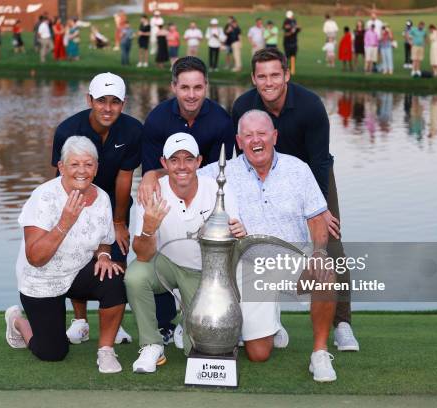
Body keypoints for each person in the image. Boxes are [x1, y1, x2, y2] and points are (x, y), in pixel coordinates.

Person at [139, 111, 339, 382]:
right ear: (239, 141)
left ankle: (320, 353)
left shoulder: (298, 169)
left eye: (262, 133)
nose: (256, 140)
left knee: (326, 274)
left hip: (292, 258)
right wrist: (152, 174)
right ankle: (269, 326)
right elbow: (183, 168)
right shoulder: (222, 171)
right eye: (248, 135)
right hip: (249, 267)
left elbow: (316, 219)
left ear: (275, 136)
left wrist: (318, 253)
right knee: (258, 353)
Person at [230, 48, 359, 354]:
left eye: (275, 74)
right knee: (252, 245)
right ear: (253, 78)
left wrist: (320, 208)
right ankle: (260, 322)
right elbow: (240, 157)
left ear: (286, 75)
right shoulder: (243, 106)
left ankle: (342, 324)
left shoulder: (311, 106)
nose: (268, 82)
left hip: (310, 175)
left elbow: (318, 162)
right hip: (262, 175)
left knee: (330, 244)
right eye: (261, 76)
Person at [5, 136, 126, 373]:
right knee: (53, 353)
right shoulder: (43, 197)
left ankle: (106, 351)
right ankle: (18, 322)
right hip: (41, 279)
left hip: (76, 271)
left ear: (96, 168)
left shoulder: (101, 198)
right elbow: (35, 258)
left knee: (114, 277)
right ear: (61, 167)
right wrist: (65, 223)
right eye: (74, 164)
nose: (82, 171)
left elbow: (105, 241)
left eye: (88, 164)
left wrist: (103, 257)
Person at [127, 133, 246, 373]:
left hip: (205, 274)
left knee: (201, 349)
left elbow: (235, 241)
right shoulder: (151, 192)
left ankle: (185, 323)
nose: (182, 166)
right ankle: (152, 344)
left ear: (199, 161)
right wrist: (149, 230)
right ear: (164, 163)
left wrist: (239, 232)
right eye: (175, 159)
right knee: (135, 276)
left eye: (188, 159)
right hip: (167, 263)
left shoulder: (217, 189)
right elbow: (142, 255)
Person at [141, 57, 236, 341]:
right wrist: (148, 177)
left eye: (197, 87)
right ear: (173, 87)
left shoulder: (221, 120)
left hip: (204, 195)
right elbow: (150, 172)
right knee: (157, 239)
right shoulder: (158, 119)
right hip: (168, 189)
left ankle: (201, 316)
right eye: (184, 87)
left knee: (207, 250)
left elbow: (223, 170)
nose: (191, 94)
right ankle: (164, 325)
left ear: (206, 86)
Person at [52, 73, 142, 346]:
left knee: (117, 257)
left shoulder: (133, 130)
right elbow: (61, 178)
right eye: (101, 100)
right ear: (89, 100)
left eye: (114, 101)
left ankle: (115, 320)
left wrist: (118, 222)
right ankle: (80, 321)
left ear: (123, 103)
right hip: (76, 202)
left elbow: (125, 176)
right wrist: (67, 215)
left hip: (116, 203)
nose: (107, 108)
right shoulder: (68, 130)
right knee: (78, 258)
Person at [282, 10, 300, 75]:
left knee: (293, 56)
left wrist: (297, 27)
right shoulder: (286, 21)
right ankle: (286, 69)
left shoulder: (294, 21)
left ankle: (292, 70)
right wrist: (291, 31)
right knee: (287, 56)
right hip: (287, 42)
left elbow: (299, 28)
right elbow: (285, 30)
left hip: (294, 41)